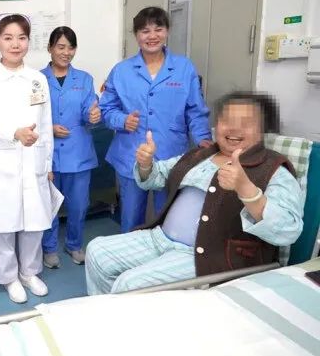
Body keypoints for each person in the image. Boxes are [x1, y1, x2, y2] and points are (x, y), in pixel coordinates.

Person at [85, 92, 303, 294]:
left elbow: (288, 230)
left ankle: (119, 317)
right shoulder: (200, 156)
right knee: (97, 251)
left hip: (205, 255)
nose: (233, 129)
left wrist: (246, 190)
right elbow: (157, 176)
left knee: (129, 284)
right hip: (159, 238)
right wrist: (146, 163)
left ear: (262, 131)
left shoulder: (273, 170)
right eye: (227, 120)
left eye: (245, 123)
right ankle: (108, 312)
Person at [100, 6, 212, 232]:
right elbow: (106, 109)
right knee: (131, 218)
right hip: (131, 153)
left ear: (167, 31)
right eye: (145, 31)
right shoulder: (121, 71)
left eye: (158, 29)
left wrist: (203, 139)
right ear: (136, 35)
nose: (152, 36)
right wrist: (122, 120)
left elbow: (195, 110)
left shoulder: (183, 68)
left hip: (171, 154)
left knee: (168, 217)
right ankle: (131, 253)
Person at [0, 13, 54, 304]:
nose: (15, 44)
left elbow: (45, 125)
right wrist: (14, 133)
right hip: (3, 162)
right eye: (8, 38)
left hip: (34, 160)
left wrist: (48, 164)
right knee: (5, 224)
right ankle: (9, 277)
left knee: (34, 221)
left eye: (21, 38)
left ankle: (29, 272)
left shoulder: (37, 80)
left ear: (28, 42)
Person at [40, 26, 101, 268]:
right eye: (61, 47)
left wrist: (93, 116)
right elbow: (31, 116)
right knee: (49, 206)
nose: (66, 52)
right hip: (48, 156)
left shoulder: (84, 79)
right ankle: (49, 248)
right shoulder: (36, 79)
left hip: (78, 154)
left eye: (71, 47)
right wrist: (49, 128)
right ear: (50, 48)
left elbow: (89, 110)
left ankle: (74, 244)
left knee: (78, 206)